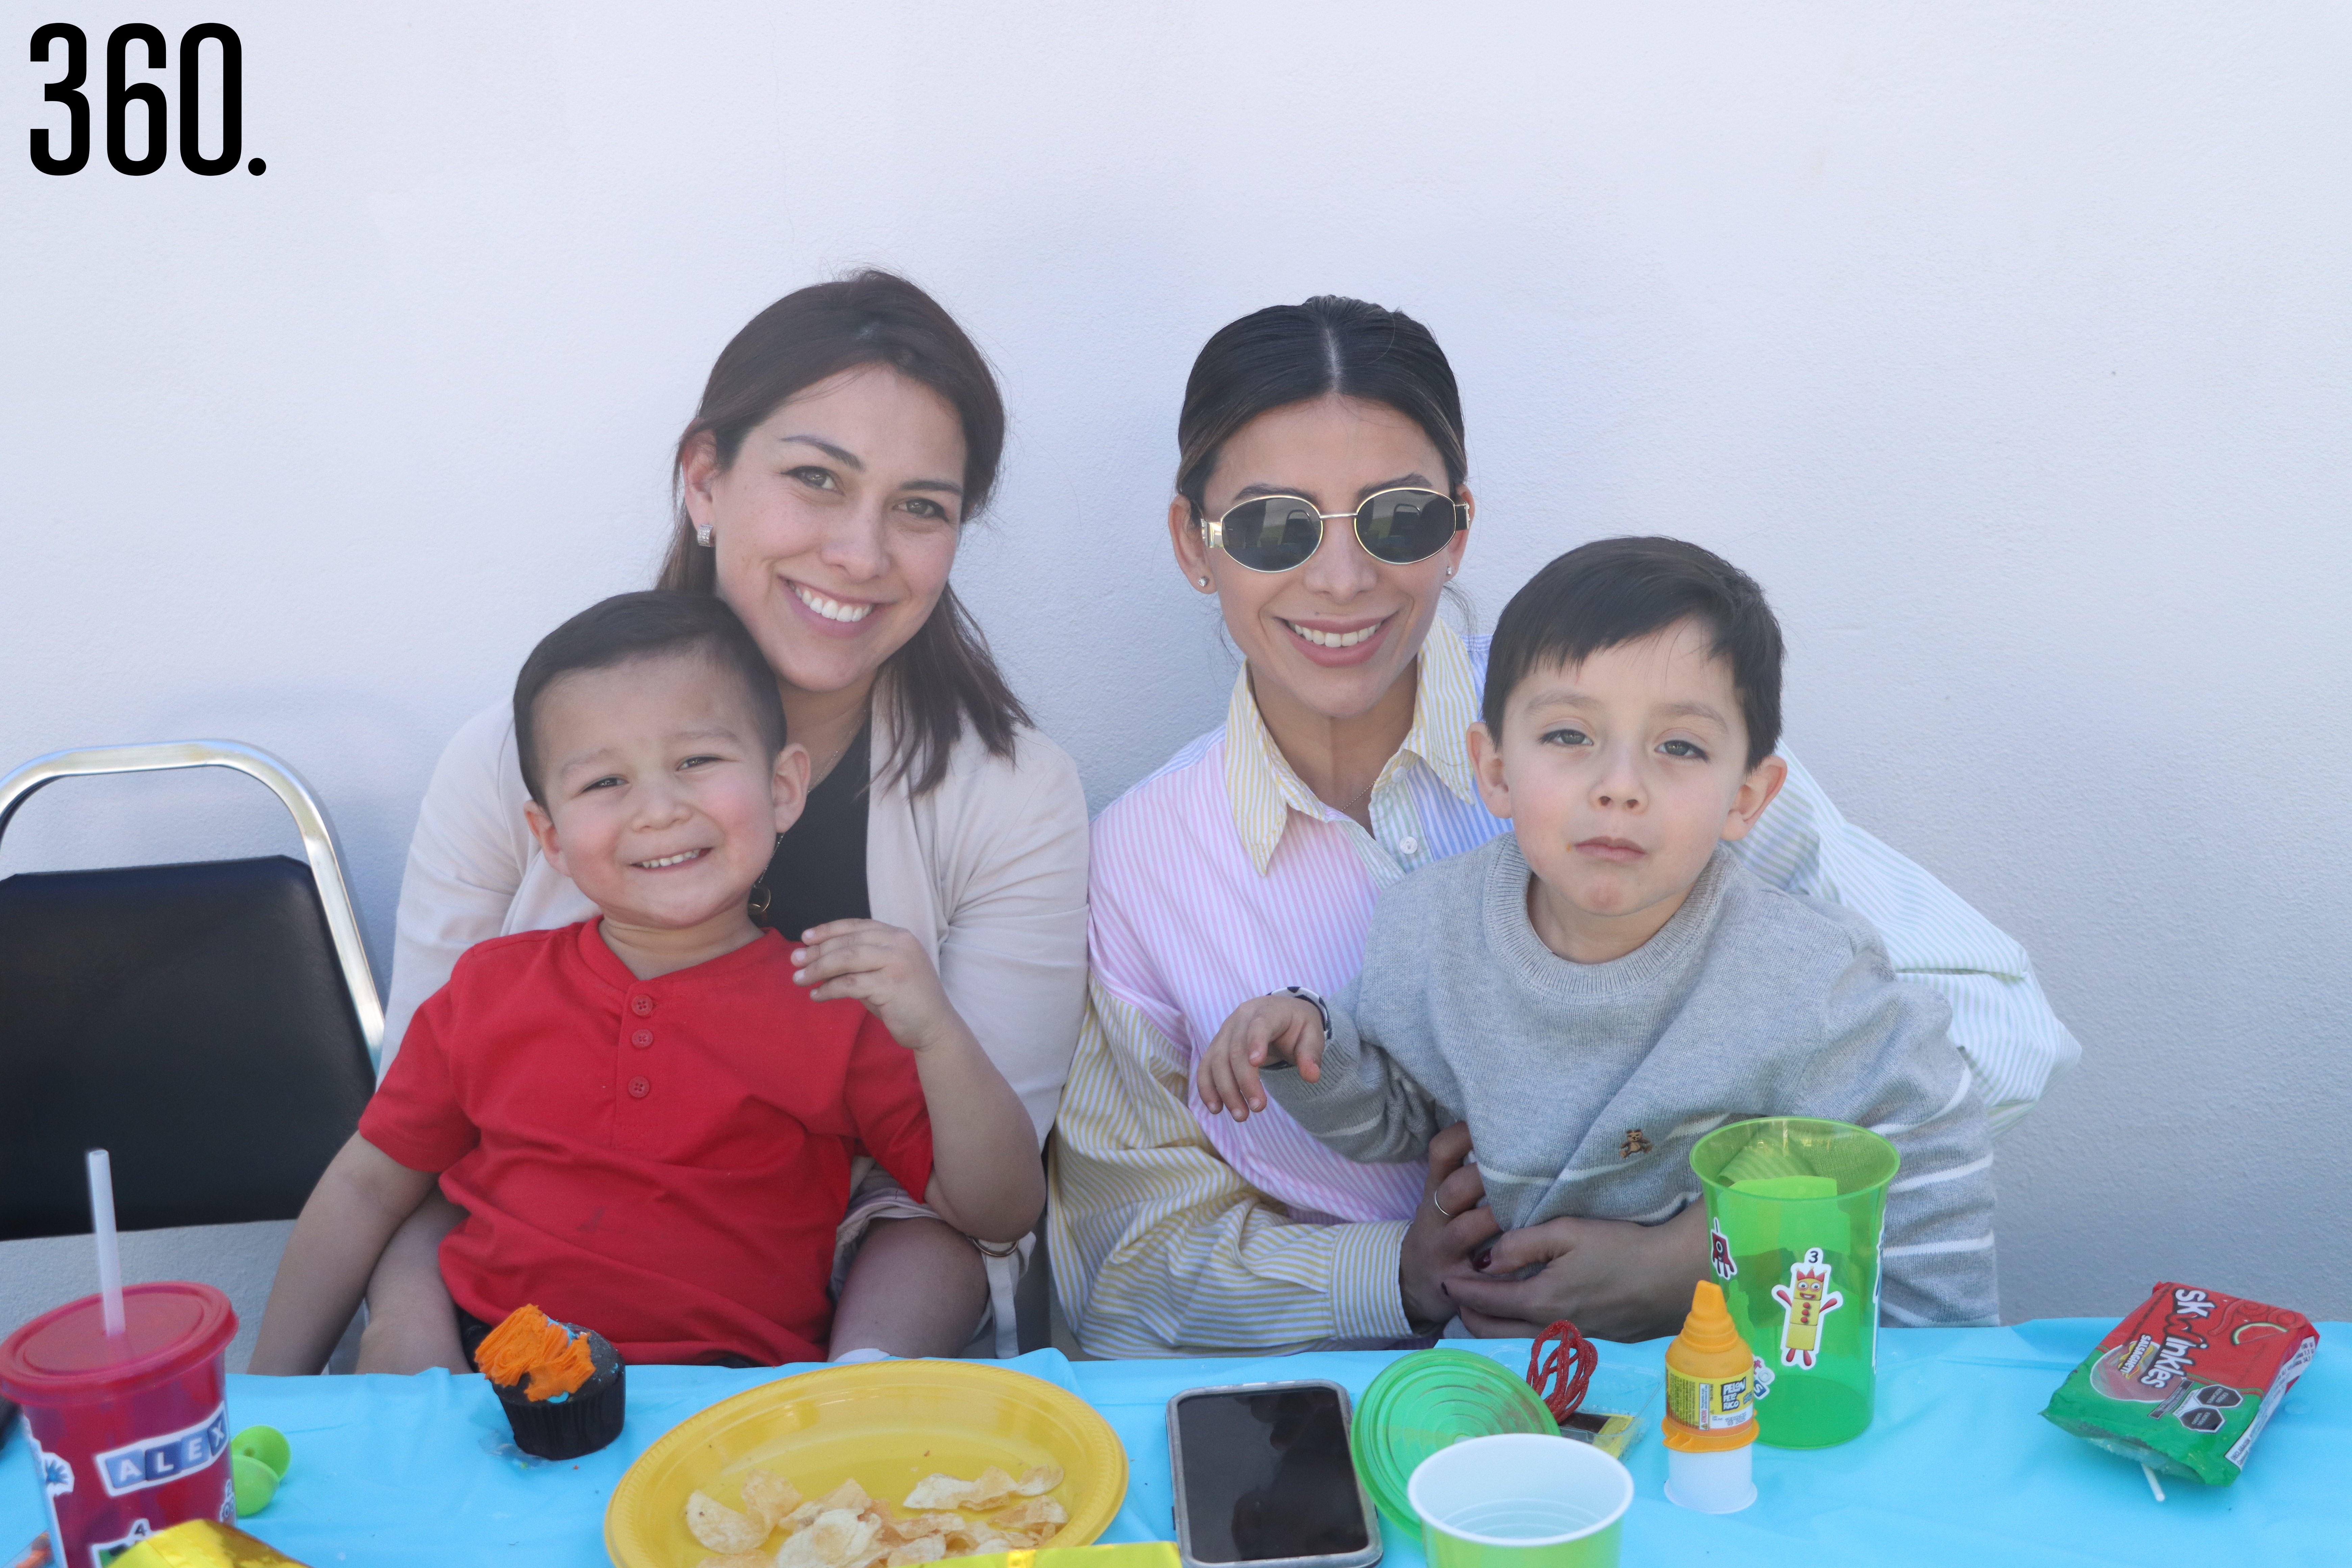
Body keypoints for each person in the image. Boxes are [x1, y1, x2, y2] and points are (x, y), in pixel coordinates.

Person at [1049, 295, 2076, 1356]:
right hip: (1369, 1424)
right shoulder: (1142, 863)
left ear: (1459, 529)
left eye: (1398, 517)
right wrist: (1394, 1274)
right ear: (1192, 543)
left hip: (1706, 1392)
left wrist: (1708, 1245)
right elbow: (1124, 1265)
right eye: (1275, 526)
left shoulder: (1626, 729)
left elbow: (1998, 1029)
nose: (1343, 579)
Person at [313, 272, 1087, 1372]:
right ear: (706, 480)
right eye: (817, 479)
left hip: (863, 1309)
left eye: (922, 506)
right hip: (526, 1323)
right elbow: (422, 1143)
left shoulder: (1012, 794)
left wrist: (845, 1392)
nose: (862, 555)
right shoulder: (506, 761)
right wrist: (411, 1333)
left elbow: (981, 1198)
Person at [1197, 538, 1996, 1329]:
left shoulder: (1805, 971)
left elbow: (1924, 1135)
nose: (1620, 786)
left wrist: (1935, 1371)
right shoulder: (1431, 930)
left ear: (1749, 797)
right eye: (1570, 736)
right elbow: (1401, 1112)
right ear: (1497, 770)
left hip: (1732, 1387)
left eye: (1679, 747)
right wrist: (1310, 1049)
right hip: (1506, 1378)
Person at [251, 594, 1044, 1370]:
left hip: (738, 1412)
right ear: (550, 836)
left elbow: (997, 1211)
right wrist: (266, 1394)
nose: (658, 809)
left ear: (782, 788)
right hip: (490, 1394)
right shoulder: (488, 992)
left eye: (697, 761)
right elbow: (364, 1186)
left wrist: (937, 1032)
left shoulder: (835, 999)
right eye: (605, 783)